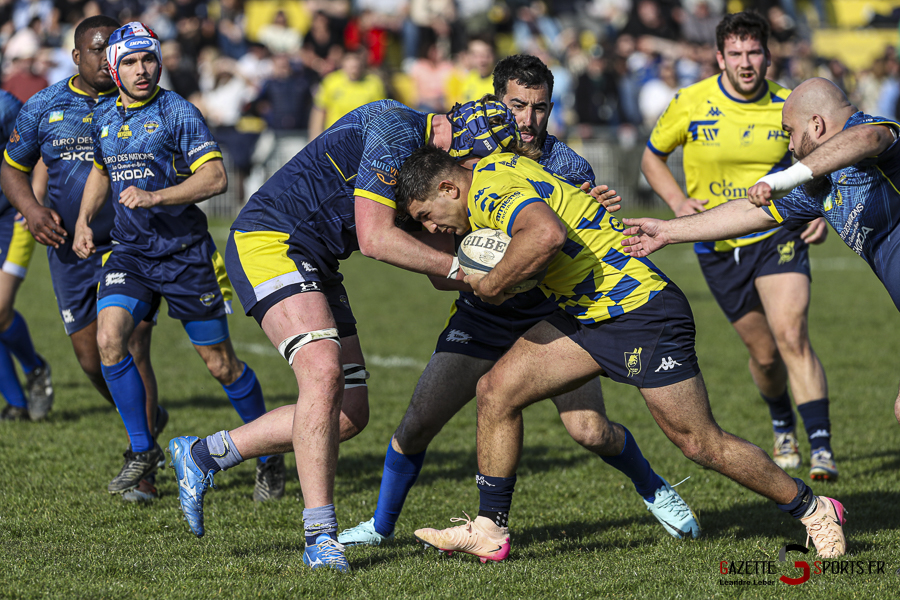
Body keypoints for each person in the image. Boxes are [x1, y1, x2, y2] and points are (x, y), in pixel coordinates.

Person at [166, 96, 608, 572]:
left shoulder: (429, 174)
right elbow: (376, 239)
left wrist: (522, 255)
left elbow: (443, 273)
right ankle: (320, 537)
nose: (479, 174)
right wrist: (469, 271)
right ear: (461, 146)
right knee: (323, 374)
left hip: (318, 263)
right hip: (270, 240)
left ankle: (203, 454)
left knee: (349, 415)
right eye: (477, 162)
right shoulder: (394, 126)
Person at [398, 144, 848, 563]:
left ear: (448, 188)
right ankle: (490, 529)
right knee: (496, 391)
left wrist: (492, 285)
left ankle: (813, 508)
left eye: (426, 216)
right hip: (585, 313)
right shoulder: (495, 166)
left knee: (699, 443)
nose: (432, 229)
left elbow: (547, 234)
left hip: (640, 311)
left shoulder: (488, 193)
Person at [338, 55, 700, 550]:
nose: (528, 119)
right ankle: (380, 528)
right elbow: (443, 260)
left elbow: (584, 238)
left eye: (540, 107)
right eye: (517, 106)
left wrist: (589, 210)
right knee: (418, 421)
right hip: (482, 312)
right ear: (496, 101)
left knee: (589, 430)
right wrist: (476, 271)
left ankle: (653, 487)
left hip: (553, 311)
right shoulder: (464, 159)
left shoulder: (568, 165)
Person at [70, 22, 283, 502]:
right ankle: (143, 450)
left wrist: (156, 196)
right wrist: (84, 220)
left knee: (221, 365)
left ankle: (269, 453)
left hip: (185, 256)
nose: (142, 69)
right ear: (114, 69)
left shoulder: (178, 112)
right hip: (130, 253)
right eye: (130, 62)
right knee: (110, 340)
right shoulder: (103, 116)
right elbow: (101, 172)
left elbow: (215, 178)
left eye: (148, 59)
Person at [622, 76, 900, 430]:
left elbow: (867, 138)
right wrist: (668, 231)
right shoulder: (820, 186)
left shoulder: (867, 130)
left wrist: (783, 178)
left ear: (816, 124)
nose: (790, 145)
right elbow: (749, 213)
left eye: (790, 132)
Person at [640, 12, 836, 481]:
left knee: (792, 335)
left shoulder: (791, 104)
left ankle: (822, 448)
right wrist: (677, 202)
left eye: (754, 52)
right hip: (718, 244)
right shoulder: (690, 101)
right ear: (719, 57)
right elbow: (652, 158)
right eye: (736, 53)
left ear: (768, 56)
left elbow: (824, 162)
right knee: (765, 356)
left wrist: (821, 209)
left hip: (777, 233)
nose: (745, 62)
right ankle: (782, 423)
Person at [1, 18, 163, 501]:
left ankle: (144, 465)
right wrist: (33, 210)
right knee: (92, 360)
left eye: (114, 50)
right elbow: (11, 168)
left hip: (132, 247)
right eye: (97, 50)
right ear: (76, 56)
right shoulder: (44, 105)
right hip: (69, 249)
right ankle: (146, 418)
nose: (107, 59)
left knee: (130, 345)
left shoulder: (144, 102)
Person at [0, 88, 53, 422]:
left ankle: (35, 368)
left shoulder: (4, 106)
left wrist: (34, 196)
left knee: (0, 307)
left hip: (12, 215)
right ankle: (16, 404)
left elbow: (43, 141)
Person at [308, 50, 386, 138]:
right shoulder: (331, 81)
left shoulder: (374, 83)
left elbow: (380, 114)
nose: (354, 65)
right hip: (335, 137)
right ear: (343, 63)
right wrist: (314, 136)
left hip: (362, 137)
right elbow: (319, 109)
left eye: (356, 62)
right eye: (350, 62)